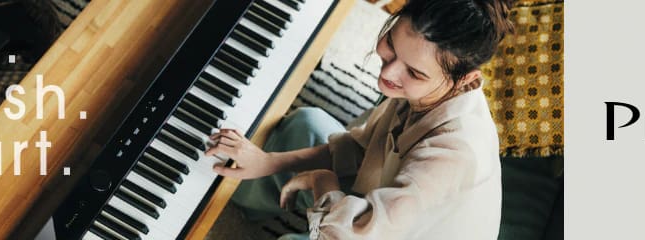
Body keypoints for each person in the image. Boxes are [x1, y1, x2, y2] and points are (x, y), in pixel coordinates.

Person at [205, 0, 514, 239]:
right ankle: (213, 195)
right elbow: (359, 148)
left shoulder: (455, 155)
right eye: (391, 46)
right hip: (382, 200)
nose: (388, 73)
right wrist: (268, 161)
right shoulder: (428, 92)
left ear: (465, 81)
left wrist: (320, 180)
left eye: (414, 72)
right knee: (306, 125)